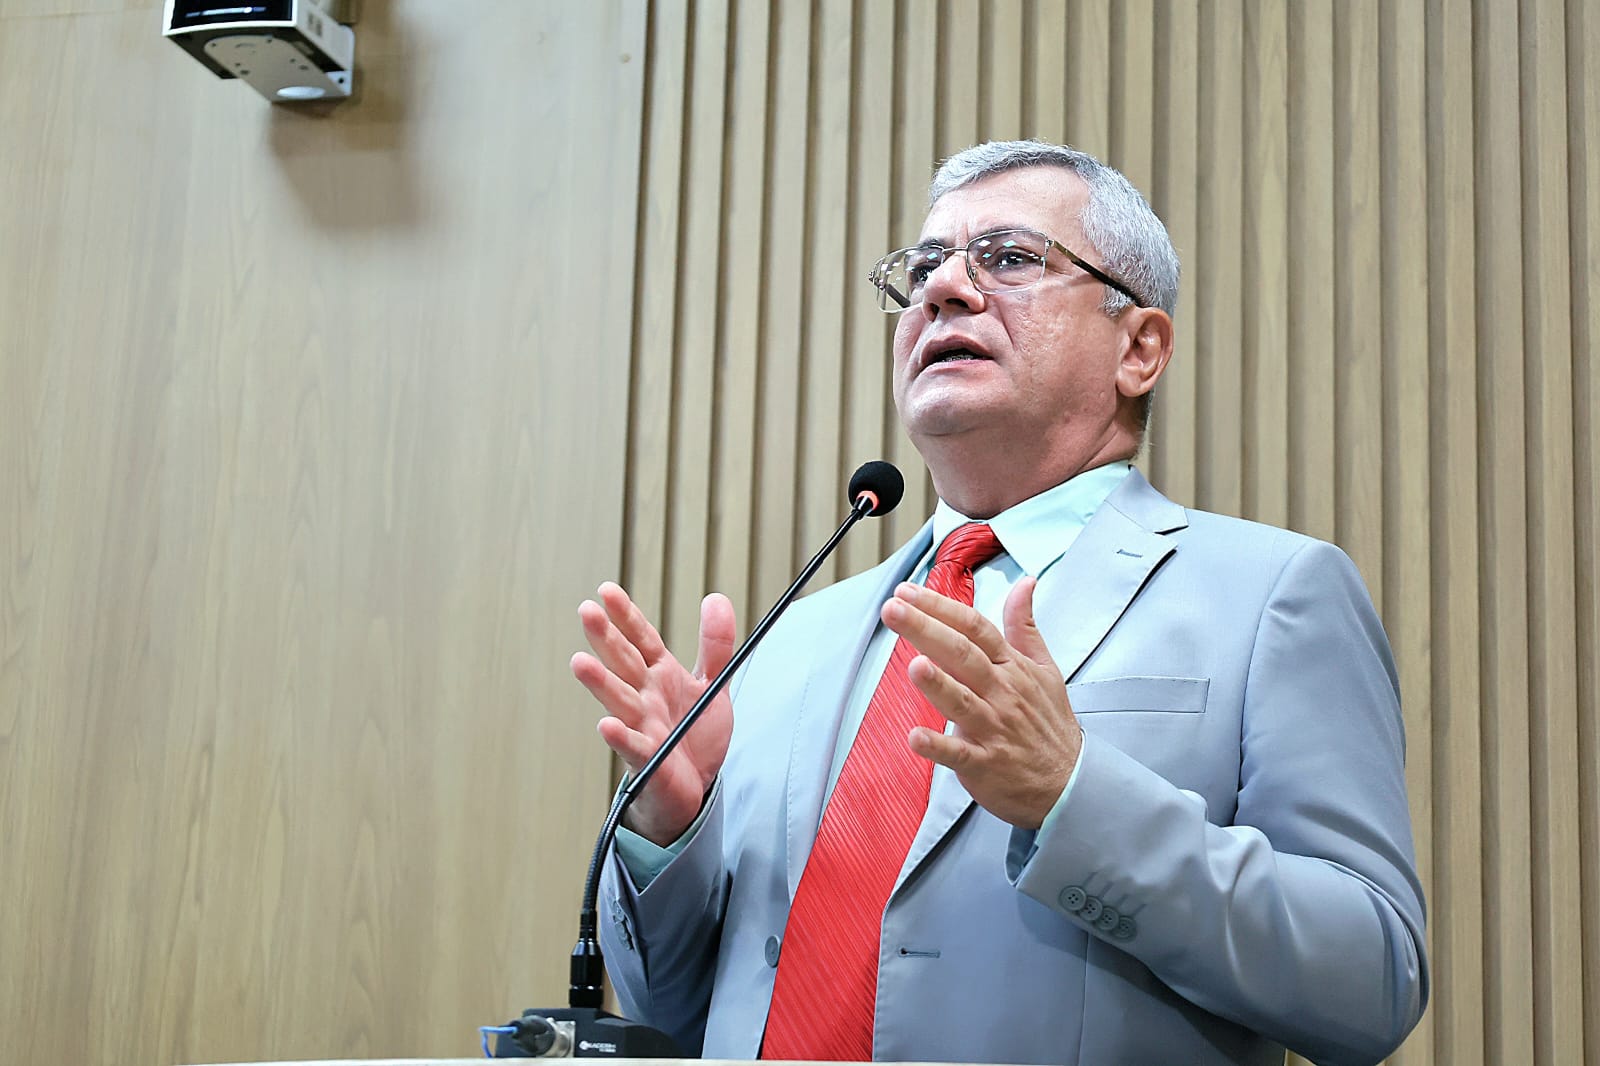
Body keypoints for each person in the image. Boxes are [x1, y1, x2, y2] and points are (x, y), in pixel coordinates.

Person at [571, 140, 1428, 1066]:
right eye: (925, 268)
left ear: (1139, 348)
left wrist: (1073, 798)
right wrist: (670, 833)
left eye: (1010, 258)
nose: (944, 289)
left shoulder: (1273, 596)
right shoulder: (790, 639)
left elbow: (1371, 981)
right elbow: (678, 1012)